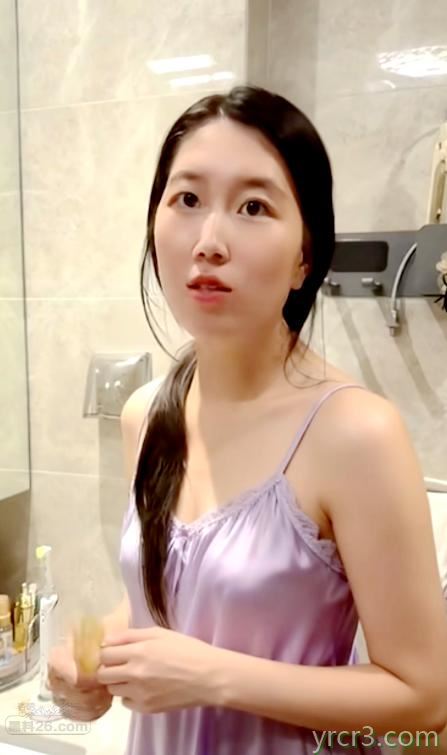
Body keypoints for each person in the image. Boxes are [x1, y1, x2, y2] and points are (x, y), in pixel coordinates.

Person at [48, 85, 447, 754]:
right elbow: (171, 604)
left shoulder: (355, 434)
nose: (208, 241)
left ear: (304, 256)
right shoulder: (147, 415)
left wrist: (210, 677)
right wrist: (94, 660)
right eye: (187, 200)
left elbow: (425, 698)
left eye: (253, 207)